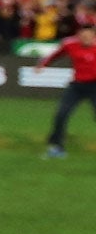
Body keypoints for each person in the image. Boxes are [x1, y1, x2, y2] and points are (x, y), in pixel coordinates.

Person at [42, 22, 96, 157]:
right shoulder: (70, 44)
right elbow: (56, 54)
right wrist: (43, 64)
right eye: (83, 36)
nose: (86, 39)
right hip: (77, 85)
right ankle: (57, 145)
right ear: (79, 35)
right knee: (61, 113)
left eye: (89, 36)